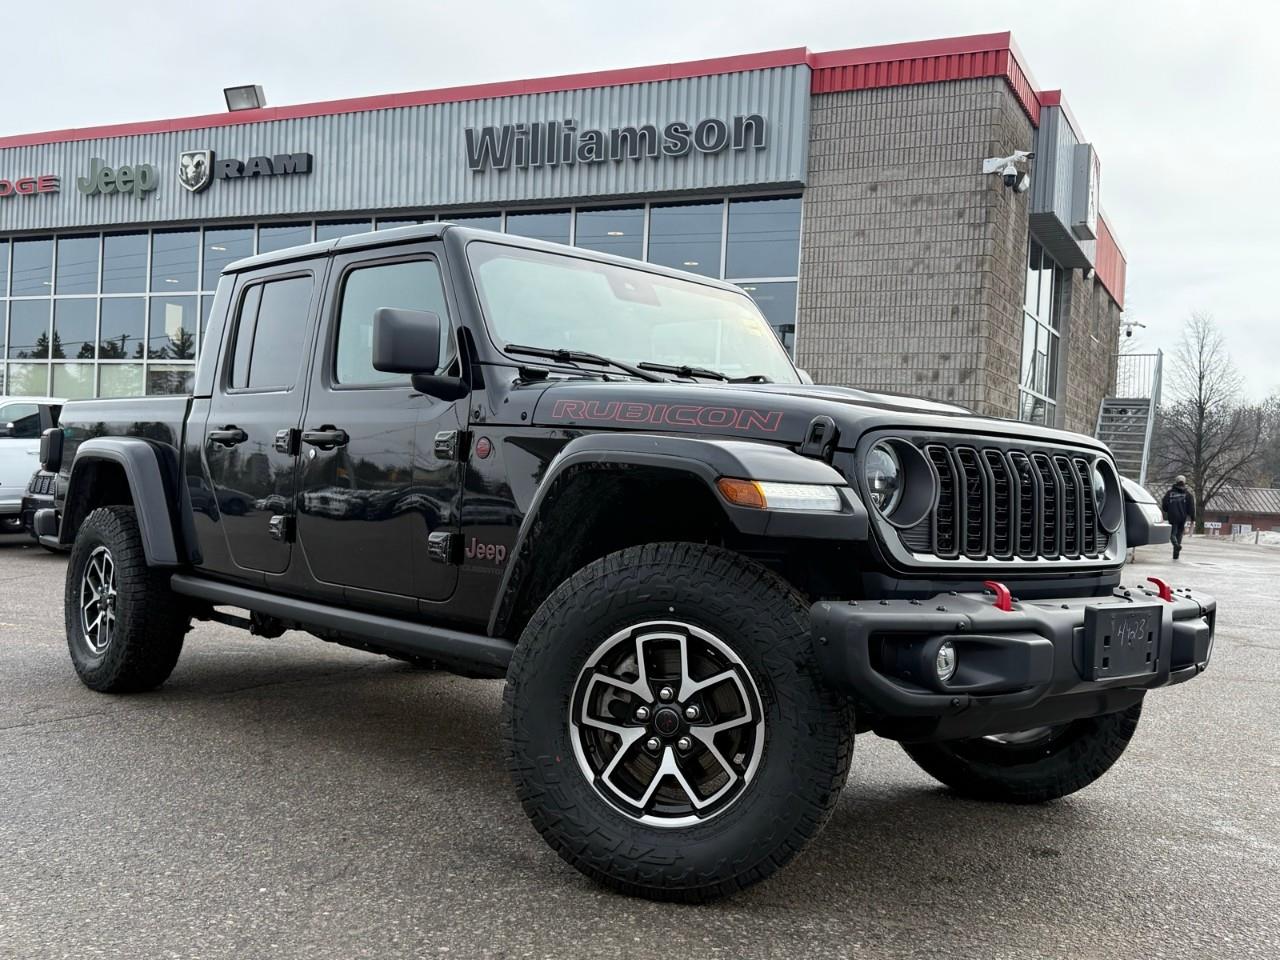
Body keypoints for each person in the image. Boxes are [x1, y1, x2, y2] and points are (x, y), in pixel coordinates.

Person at [1161, 475, 1196, 560]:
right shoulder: (1188, 494)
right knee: (1179, 534)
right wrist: (1192, 518)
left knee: (1172, 534)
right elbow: (1191, 507)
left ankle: (1176, 545)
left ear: (1176, 482)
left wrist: (1167, 510)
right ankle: (1176, 555)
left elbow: (1164, 504)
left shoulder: (1169, 493)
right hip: (1182, 517)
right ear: (1184, 482)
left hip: (1172, 516)